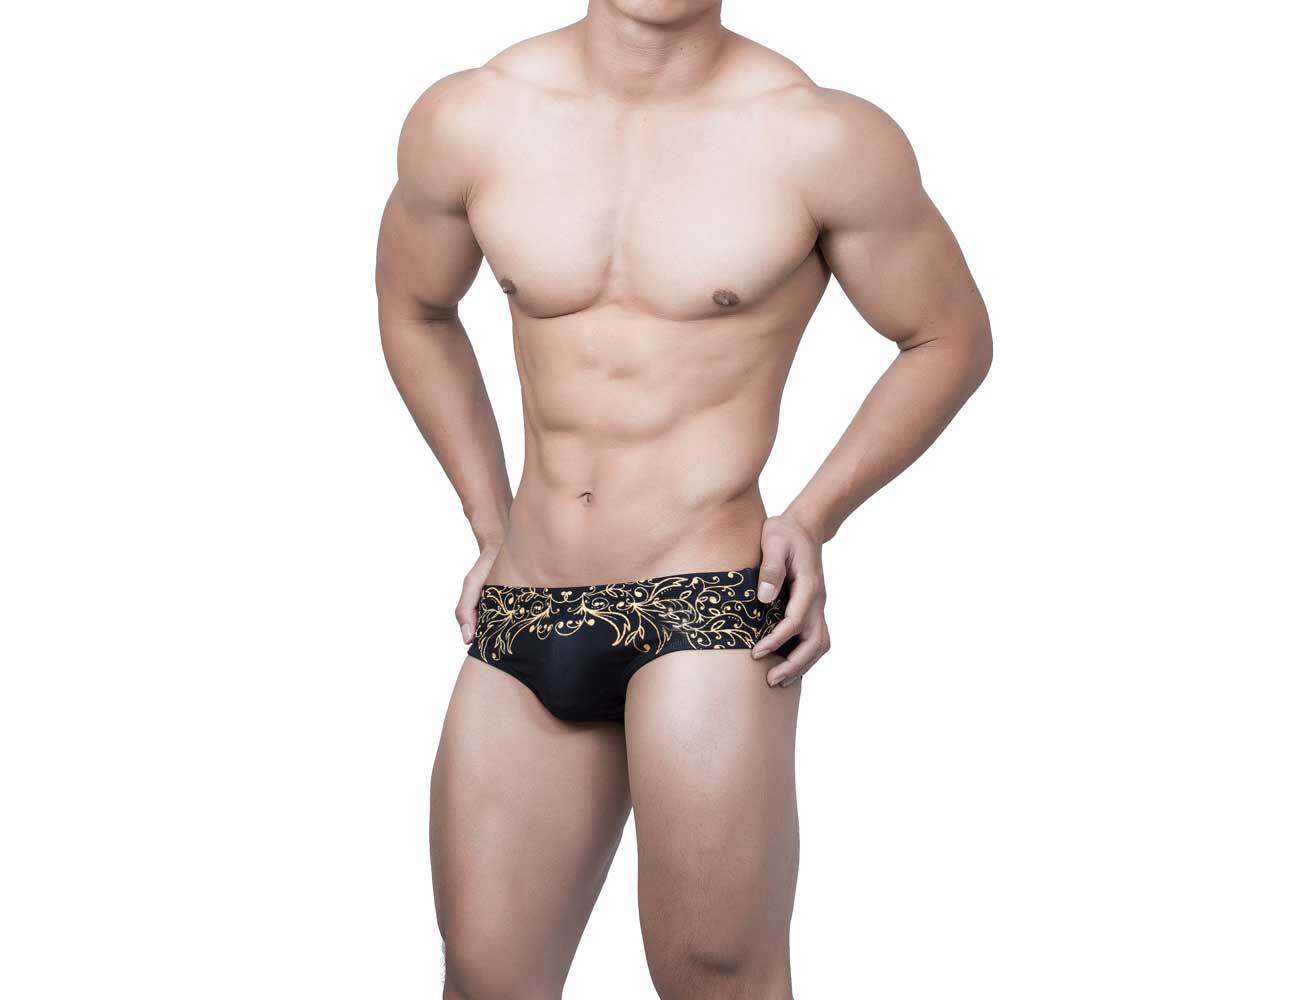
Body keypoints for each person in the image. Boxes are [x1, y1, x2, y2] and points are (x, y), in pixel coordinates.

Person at [376, 2, 991, 996]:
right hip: (527, 597)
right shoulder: (473, 116)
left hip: (702, 601)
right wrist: (488, 518)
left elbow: (947, 336)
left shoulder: (820, 138)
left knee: (715, 974)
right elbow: (414, 307)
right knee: (485, 978)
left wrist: (812, 516)